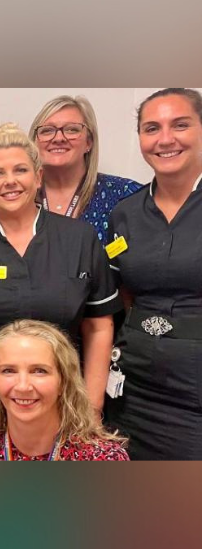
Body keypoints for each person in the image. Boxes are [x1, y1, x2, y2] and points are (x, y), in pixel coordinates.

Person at [0, 123, 121, 413]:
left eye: (20, 170)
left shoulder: (79, 239)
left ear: (38, 177)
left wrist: (92, 405)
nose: (10, 181)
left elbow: (99, 325)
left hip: (65, 402)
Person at [104, 88, 202, 460]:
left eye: (180, 125)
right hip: (135, 386)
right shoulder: (126, 213)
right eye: (151, 128)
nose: (165, 139)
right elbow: (125, 293)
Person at [0, 320, 128, 461]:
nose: (23, 386)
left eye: (39, 371)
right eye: (8, 371)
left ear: (64, 381)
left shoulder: (101, 457)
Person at [29, 95, 142, 244]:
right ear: (34, 142)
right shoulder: (18, 198)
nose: (58, 138)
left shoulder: (125, 196)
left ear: (89, 142)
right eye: (47, 131)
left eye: (71, 130)